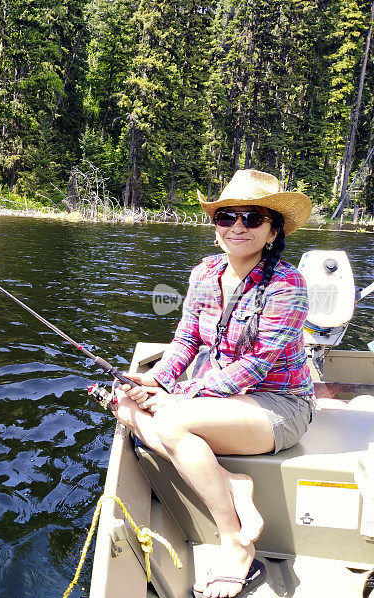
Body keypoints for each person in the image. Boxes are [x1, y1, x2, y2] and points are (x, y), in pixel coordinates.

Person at [113, 169, 315, 598]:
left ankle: (237, 541)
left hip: (277, 403)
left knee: (169, 423)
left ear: (273, 229)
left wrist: (177, 395)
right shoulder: (205, 273)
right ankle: (231, 482)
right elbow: (186, 339)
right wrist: (153, 379)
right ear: (215, 226)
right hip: (214, 393)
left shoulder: (288, 285)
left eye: (252, 217)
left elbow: (257, 367)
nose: (237, 227)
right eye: (226, 217)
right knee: (122, 402)